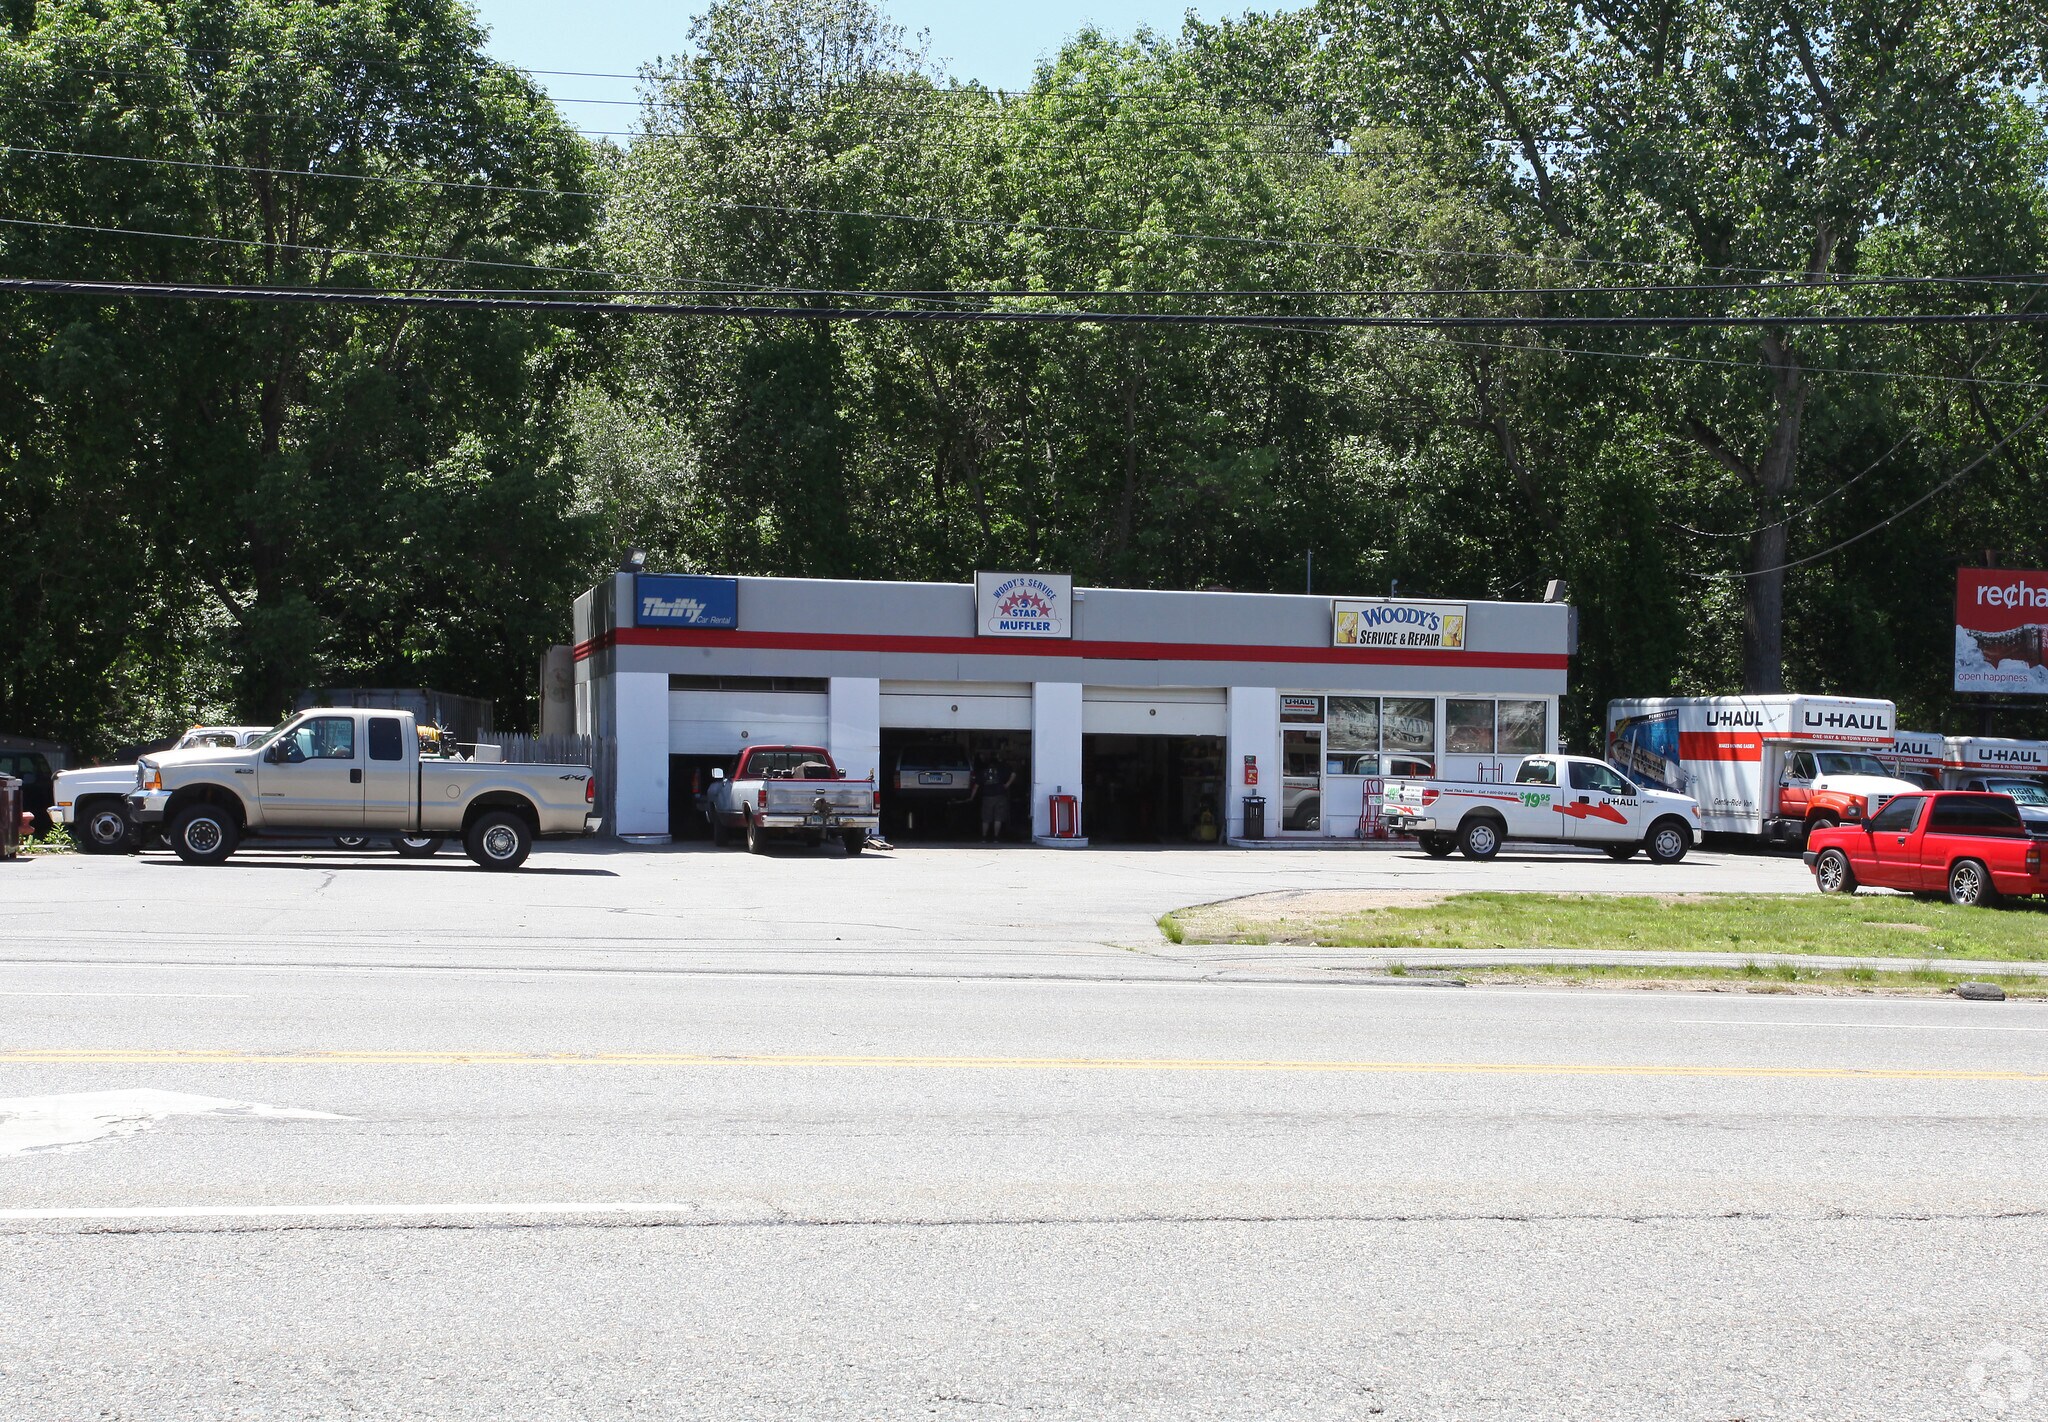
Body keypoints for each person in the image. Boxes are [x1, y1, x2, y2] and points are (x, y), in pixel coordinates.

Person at [973, 753, 1017, 843]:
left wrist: (971, 797)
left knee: (986, 819)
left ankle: (984, 838)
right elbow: (1013, 774)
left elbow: (976, 786)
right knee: (998, 818)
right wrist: (1007, 785)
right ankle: (996, 838)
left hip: (987, 797)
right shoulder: (1001, 769)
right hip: (1000, 795)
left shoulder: (982, 771)